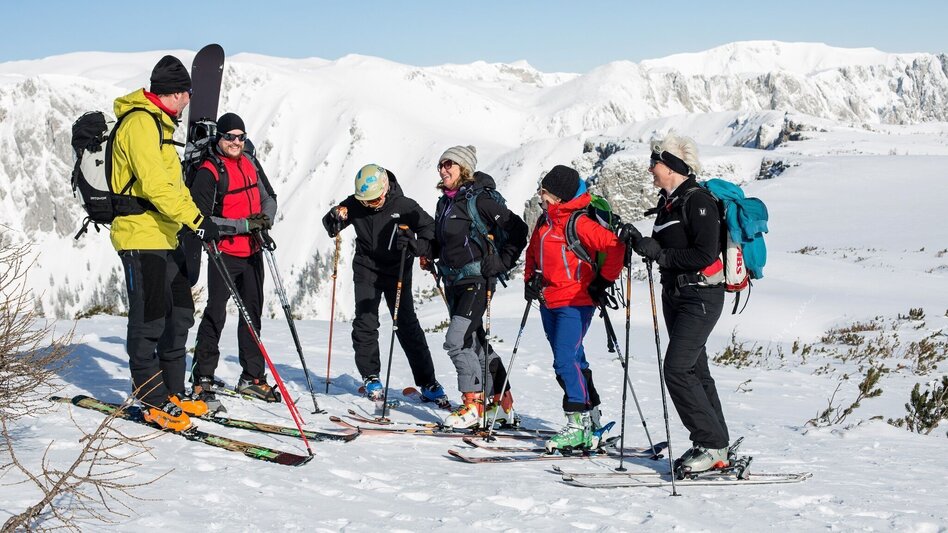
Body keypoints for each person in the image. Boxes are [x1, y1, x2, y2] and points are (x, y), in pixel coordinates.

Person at [110, 55, 221, 431]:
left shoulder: (158, 123)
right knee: (150, 318)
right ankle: (150, 399)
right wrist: (196, 221)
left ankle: (173, 392)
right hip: (140, 235)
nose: (190, 100)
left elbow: (174, 186)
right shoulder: (140, 124)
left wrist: (198, 219)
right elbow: (155, 185)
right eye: (187, 93)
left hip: (165, 234)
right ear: (175, 93)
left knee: (180, 314)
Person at [618, 131, 730, 473]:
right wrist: (641, 243)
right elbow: (666, 248)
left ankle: (710, 443)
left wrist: (660, 254)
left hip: (700, 295)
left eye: (654, 163)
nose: (650, 169)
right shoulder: (670, 203)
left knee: (677, 369)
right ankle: (716, 445)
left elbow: (704, 253)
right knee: (695, 369)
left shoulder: (698, 201)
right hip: (678, 295)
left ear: (671, 167)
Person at [321, 164, 448, 406]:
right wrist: (335, 216)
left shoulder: (405, 206)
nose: (370, 205)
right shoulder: (356, 203)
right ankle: (371, 376)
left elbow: (431, 232)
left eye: (374, 199)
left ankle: (428, 382)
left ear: (385, 188)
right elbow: (330, 225)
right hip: (366, 268)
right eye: (365, 201)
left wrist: (415, 245)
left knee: (406, 324)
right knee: (366, 320)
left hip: (397, 270)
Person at [523, 165, 626, 452]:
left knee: (564, 360)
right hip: (549, 300)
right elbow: (533, 251)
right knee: (573, 360)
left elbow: (615, 246)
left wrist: (602, 282)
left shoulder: (578, 222)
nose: (541, 196)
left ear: (559, 196)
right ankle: (591, 416)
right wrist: (530, 279)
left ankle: (577, 424)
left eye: (545, 192)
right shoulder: (545, 220)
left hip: (575, 301)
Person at [429, 145, 528, 428]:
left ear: (464, 168)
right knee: (475, 342)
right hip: (454, 282)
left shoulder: (479, 200)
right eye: (441, 164)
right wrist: (420, 248)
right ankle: (502, 404)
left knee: (456, 340)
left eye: (449, 164)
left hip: (477, 281)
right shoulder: (445, 203)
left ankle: (473, 405)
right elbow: (444, 244)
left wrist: (503, 261)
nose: (443, 169)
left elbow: (518, 229)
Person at [189, 112, 278, 403]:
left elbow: (269, 197)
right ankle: (202, 377)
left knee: (252, 315)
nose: (236, 142)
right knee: (216, 312)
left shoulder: (250, 162)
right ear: (220, 137)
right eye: (230, 137)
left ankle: (252, 377)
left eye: (241, 137)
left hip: (252, 251)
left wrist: (264, 220)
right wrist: (245, 225)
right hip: (223, 253)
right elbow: (202, 219)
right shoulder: (209, 171)